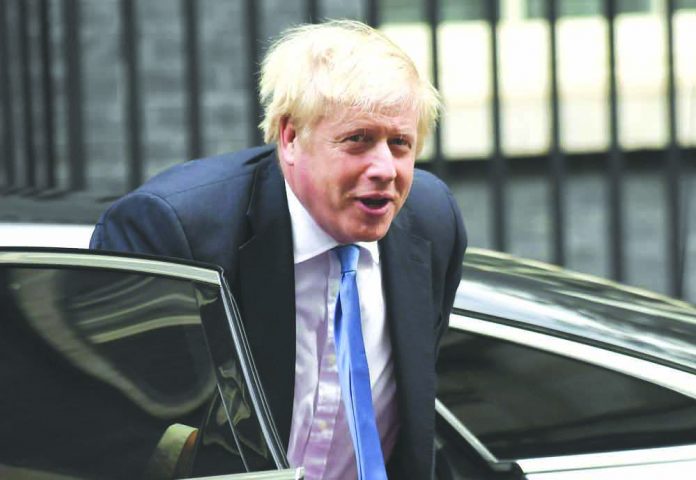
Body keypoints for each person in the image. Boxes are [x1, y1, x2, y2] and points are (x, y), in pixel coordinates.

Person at [90, 19, 466, 479]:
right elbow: (120, 439)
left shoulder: (432, 221)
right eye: (358, 140)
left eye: (400, 143)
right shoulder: (173, 233)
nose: (385, 168)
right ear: (290, 138)